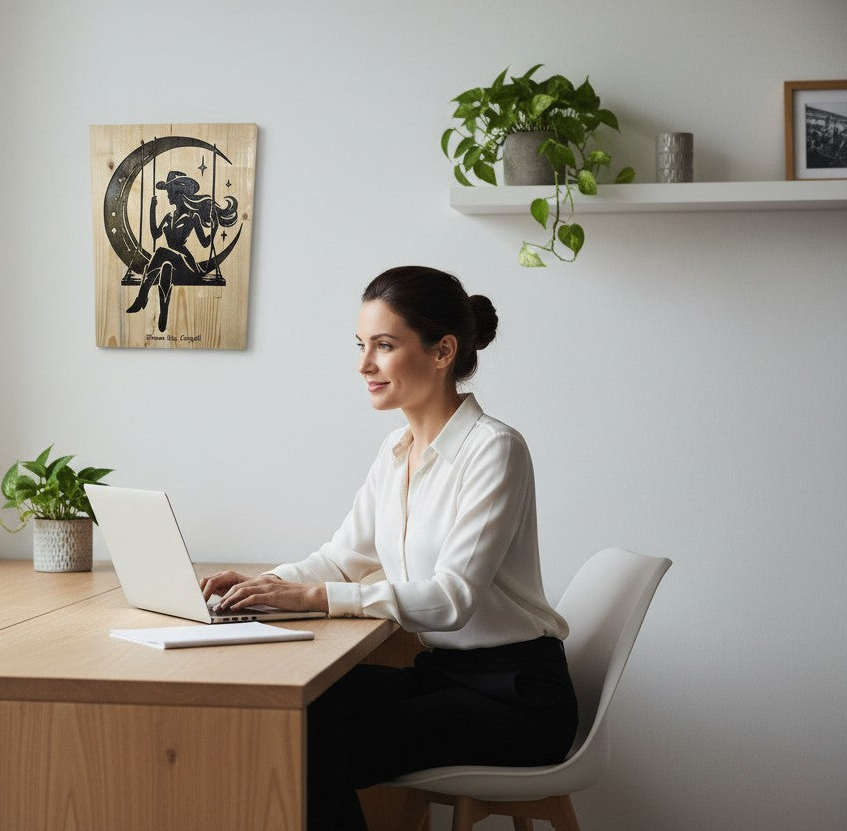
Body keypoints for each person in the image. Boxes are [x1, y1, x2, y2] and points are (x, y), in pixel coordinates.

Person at [200, 266, 578, 830]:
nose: (364, 365)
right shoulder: (396, 450)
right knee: (295, 712)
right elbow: (341, 557)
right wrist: (264, 587)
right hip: (445, 675)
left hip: (516, 695)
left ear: (443, 350)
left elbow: (452, 600)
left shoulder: (494, 450)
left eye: (384, 345)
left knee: (313, 742)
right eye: (361, 345)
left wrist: (315, 597)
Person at [126, 170, 238, 332]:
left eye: (170, 192)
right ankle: (163, 316)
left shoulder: (193, 217)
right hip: (169, 263)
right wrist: (152, 209)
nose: (168, 196)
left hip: (186, 265)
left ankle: (141, 298)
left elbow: (205, 243)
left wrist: (214, 228)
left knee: (161, 252)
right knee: (165, 267)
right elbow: (155, 233)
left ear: (180, 194)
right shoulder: (169, 216)